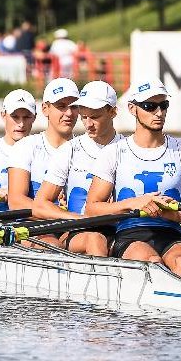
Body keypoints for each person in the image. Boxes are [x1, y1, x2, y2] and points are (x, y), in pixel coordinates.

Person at [85, 80, 181, 275]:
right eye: (149, 106)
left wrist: (177, 216)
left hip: (171, 233)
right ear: (132, 109)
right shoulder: (114, 153)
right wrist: (135, 203)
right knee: (153, 262)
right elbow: (92, 208)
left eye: (164, 105)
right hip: (130, 235)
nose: (159, 112)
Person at [31, 81, 124, 256]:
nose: (88, 124)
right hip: (77, 231)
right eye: (84, 117)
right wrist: (78, 219)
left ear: (113, 112)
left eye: (94, 117)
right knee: (95, 239)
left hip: (121, 232)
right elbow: (40, 205)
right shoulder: (70, 150)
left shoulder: (128, 149)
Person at [6, 78, 80, 246]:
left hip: (75, 224)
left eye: (74, 106)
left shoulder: (86, 149)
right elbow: (16, 202)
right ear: (45, 109)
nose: (69, 113)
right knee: (53, 246)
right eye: (61, 106)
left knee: (97, 242)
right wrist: (60, 213)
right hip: (33, 225)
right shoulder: (26, 147)